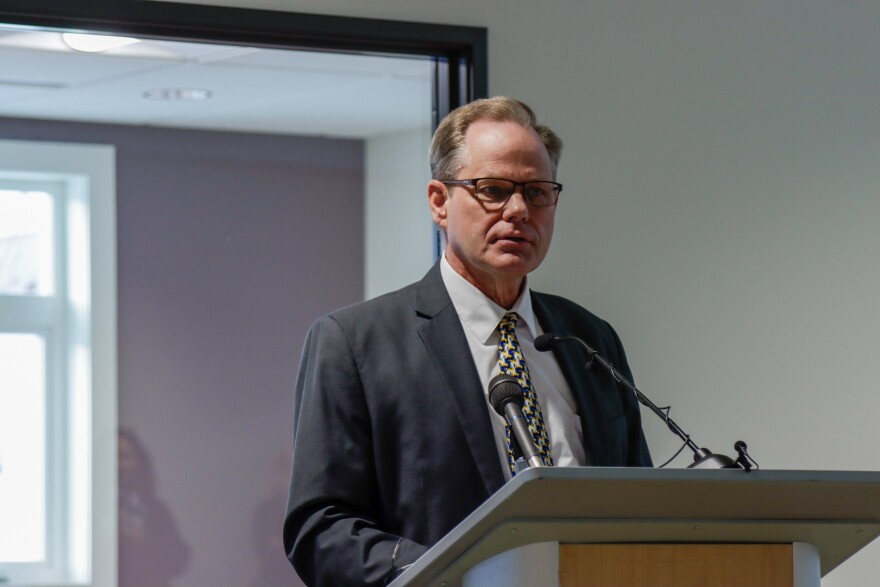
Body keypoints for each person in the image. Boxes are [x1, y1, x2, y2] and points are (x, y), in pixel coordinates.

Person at [283, 97, 652, 587]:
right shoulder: (354, 343)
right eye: (493, 190)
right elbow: (321, 530)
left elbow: (638, 502)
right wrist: (455, 575)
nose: (519, 211)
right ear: (439, 201)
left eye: (537, 193)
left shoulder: (590, 338)